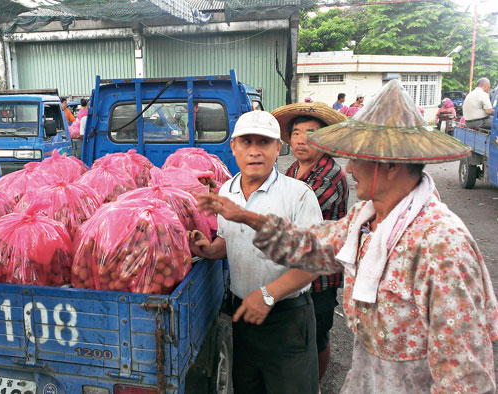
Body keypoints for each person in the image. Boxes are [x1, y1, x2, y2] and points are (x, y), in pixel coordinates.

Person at [197, 80, 498, 393]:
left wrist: (270, 290)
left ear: (391, 165)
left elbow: (465, 379)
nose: (350, 168)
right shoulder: (367, 219)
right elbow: (312, 245)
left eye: (358, 158)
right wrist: (244, 216)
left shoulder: (442, 245)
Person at [188, 110, 323, 393]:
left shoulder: (298, 195)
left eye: (263, 143)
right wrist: (210, 249)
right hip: (244, 315)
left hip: (287, 320)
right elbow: (229, 240)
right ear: (233, 147)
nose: (255, 152)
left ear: (277, 148)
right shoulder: (226, 191)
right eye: (247, 143)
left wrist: (268, 294)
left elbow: (313, 262)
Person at [271, 101, 349, 384]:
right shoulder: (291, 170)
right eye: (296, 133)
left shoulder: (331, 175)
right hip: (293, 270)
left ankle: (314, 384)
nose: (302, 140)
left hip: (318, 277)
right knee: (293, 332)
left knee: (316, 336)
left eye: (311, 133)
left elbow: (292, 216)